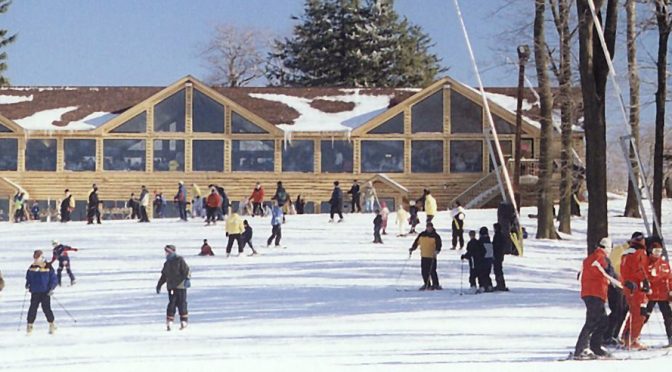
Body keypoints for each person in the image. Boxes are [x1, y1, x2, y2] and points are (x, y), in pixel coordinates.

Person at [574, 238, 621, 360]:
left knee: (603, 321)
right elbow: (611, 275)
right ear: (607, 248)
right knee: (592, 321)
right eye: (610, 248)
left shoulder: (589, 258)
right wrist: (624, 284)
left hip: (588, 293)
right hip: (596, 293)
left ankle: (595, 346)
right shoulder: (603, 259)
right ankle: (581, 349)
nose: (610, 251)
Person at [620, 232, 650, 350]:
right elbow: (639, 268)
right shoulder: (639, 252)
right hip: (637, 286)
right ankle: (632, 339)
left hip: (629, 285)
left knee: (635, 312)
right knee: (639, 313)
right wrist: (645, 280)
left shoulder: (627, 252)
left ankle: (627, 338)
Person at [156, 245, 191, 331]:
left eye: (167, 252)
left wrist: (187, 279)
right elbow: (164, 275)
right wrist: (159, 285)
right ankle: (170, 321)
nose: (166, 254)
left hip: (181, 286)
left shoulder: (179, 260)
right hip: (171, 287)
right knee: (172, 303)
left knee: (182, 303)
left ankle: (184, 321)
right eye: (166, 252)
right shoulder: (167, 263)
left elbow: (187, 270)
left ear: (172, 252)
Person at [644, 242, 672, 346]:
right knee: (644, 317)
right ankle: (633, 337)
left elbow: (669, 278)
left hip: (663, 295)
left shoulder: (664, 263)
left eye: (659, 251)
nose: (657, 254)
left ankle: (671, 338)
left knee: (668, 317)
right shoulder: (646, 263)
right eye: (656, 251)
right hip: (650, 295)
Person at [25, 249, 58, 335]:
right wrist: (28, 284)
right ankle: (29, 326)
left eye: (37, 258)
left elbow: (53, 278)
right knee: (32, 309)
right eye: (35, 258)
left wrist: (51, 288)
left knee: (46, 309)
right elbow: (28, 277)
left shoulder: (47, 266)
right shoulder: (32, 266)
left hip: (45, 292)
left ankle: (52, 324)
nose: (36, 260)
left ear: (41, 257)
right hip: (35, 292)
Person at [604, 240, 628, 345]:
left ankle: (614, 335)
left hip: (625, 285)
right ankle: (606, 335)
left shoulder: (633, 252)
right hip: (616, 285)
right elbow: (612, 267)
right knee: (617, 311)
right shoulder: (620, 250)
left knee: (623, 311)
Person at [409, 222, 442, 290]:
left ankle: (435, 284)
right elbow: (416, 242)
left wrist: (437, 250)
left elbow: (439, 245)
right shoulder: (422, 235)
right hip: (424, 255)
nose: (429, 228)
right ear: (426, 227)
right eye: (428, 227)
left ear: (432, 227)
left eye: (430, 227)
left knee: (432, 271)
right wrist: (413, 248)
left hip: (432, 256)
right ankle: (427, 284)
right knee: (424, 271)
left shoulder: (436, 236)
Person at [492, 223, 509, 291]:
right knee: (498, 269)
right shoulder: (501, 235)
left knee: (498, 270)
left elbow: (496, 246)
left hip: (497, 255)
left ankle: (500, 284)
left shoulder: (497, 235)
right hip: (500, 255)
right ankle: (500, 284)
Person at [478, 226, 494, 293]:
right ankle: (489, 285)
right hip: (489, 259)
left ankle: (483, 286)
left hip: (482, 260)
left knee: (481, 274)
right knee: (487, 274)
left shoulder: (481, 241)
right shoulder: (489, 240)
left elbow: (479, 251)